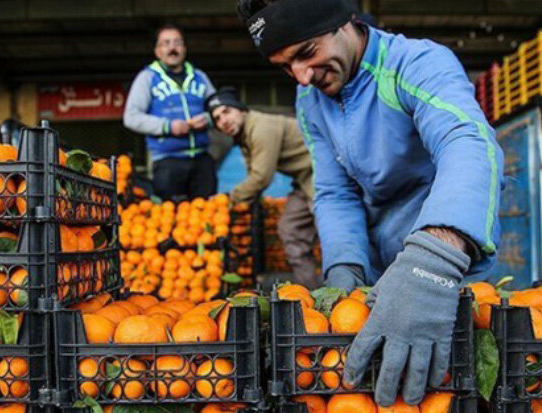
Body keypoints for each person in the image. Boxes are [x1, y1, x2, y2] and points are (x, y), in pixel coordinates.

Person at [238, 0, 504, 408]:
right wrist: (345, 265)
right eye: (285, 66)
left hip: (444, 264)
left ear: (347, 21)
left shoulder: (415, 63)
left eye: (307, 52)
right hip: (379, 275)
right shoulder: (310, 103)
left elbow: (466, 141)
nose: (302, 77)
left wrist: (436, 259)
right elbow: (334, 191)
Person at [206, 87, 319, 288]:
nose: (223, 121)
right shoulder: (244, 137)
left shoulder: (260, 127)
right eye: (216, 119)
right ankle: (311, 291)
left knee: (332, 230)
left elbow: (261, 177)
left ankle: (348, 291)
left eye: (226, 112)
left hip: (322, 175)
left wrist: (228, 198)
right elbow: (254, 176)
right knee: (290, 229)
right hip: (303, 181)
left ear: (240, 109)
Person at [123, 24, 217, 200]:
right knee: (169, 219)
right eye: (166, 43)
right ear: (157, 51)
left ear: (184, 49)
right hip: (167, 162)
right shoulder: (148, 77)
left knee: (208, 216)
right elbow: (131, 117)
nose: (172, 48)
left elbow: (219, 109)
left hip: (202, 161)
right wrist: (168, 127)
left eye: (177, 43)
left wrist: (208, 118)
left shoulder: (200, 76)